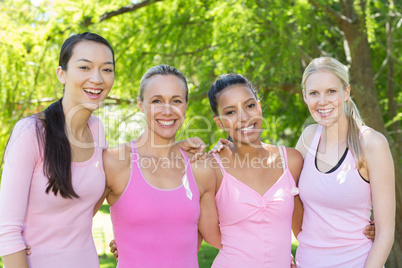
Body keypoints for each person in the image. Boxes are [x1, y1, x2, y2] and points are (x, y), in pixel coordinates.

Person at [0, 32, 115, 268]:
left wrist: (177, 150)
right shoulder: (31, 133)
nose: (97, 78)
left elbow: (100, 194)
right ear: (61, 74)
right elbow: (7, 232)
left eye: (106, 69)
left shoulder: (97, 130)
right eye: (84, 67)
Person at [101, 65, 221, 267]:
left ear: (186, 105)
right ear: (140, 105)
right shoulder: (115, 162)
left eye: (176, 101)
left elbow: (212, 237)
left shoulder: (200, 167)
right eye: (157, 101)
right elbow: (73, 221)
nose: (167, 110)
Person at [293, 57, 395, 267]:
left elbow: (385, 233)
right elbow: (285, 200)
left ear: (346, 92)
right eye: (314, 93)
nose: (322, 101)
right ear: (305, 97)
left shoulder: (371, 143)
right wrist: (225, 152)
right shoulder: (307, 138)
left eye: (331, 91)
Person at [206, 73, 303, 267]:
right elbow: (208, 235)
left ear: (259, 106)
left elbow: (305, 229)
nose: (244, 117)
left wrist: (373, 228)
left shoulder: (291, 161)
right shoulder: (211, 167)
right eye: (231, 112)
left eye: (250, 106)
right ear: (219, 122)